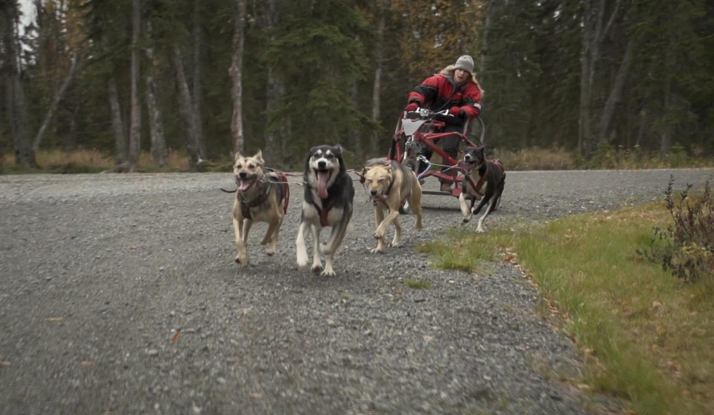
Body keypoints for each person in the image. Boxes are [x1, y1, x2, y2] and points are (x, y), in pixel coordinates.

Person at [405, 55, 483, 192]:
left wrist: (462, 110)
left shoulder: (471, 88)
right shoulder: (439, 80)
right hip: (433, 118)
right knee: (425, 146)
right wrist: (415, 102)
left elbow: (475, 107)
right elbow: (421, 91)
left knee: (449, 147)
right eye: (460, 69)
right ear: (454, 69)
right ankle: (417, 174)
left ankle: (446, 182)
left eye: (465, 71)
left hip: (454, 122)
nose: (461, 73)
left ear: (469, 74)